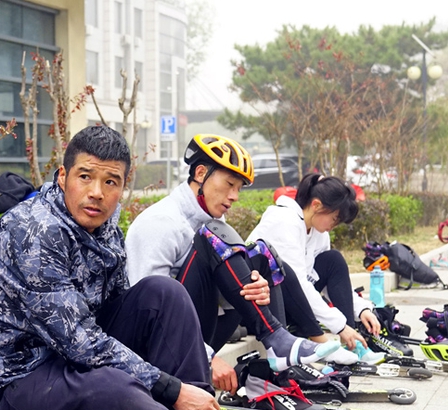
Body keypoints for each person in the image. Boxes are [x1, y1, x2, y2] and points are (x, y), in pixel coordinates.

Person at [0, 125, 345, 410]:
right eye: (85, 176)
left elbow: (121, 307)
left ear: (122, 186)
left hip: (60, 361)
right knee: (109, 386)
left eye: (111, 182)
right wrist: (171, 390)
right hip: (7, 389)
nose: (97, 192)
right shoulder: (37, 231)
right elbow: (83, 344)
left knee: (163, 295)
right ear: (62, 176)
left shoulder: (101, 220)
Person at [125, 134, 347, 395]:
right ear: (200, 173)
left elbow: (214, 291)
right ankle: (276, 342)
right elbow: (152, 312)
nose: (235, 196)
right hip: (159, 348)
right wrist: (206, 357)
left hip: (198, 330)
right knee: (212, 235)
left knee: (262, 254)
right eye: (230, 184)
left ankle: (278, 365)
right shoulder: (160, 223)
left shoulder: (213, 222)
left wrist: (255, 289)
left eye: (239, 188)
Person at [247, 173, 381, 353]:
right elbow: (297, 284)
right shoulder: (284, 221)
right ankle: (329, 346)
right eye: (334, 219)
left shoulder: (319, 232)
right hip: (262, 305)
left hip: (295, 304)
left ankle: (353, 345)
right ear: (316, 205)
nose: (334, 226)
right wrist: (338, 326)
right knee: (287, 274)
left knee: (333, 260)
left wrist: (362, 310)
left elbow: (333, 281)